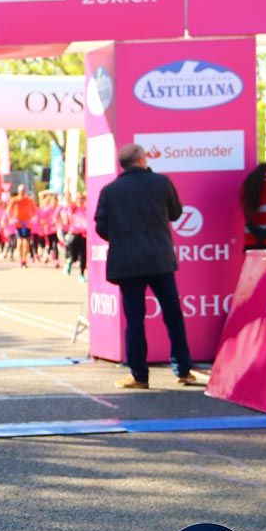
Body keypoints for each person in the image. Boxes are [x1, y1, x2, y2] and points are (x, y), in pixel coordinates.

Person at [95, 143, 198, 389]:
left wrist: (122, 237)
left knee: (135, 320)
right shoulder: (161, 183)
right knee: (173, 315)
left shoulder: (110, 191)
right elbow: (175, 213)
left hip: (128, 263)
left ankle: (139, 375)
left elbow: (101, 227)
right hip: (159, 259)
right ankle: (183, 370)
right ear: (142, 160)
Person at [6, 184, 38, 268]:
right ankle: (21, 259)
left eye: (24, 190)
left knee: (26, 242)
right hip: (18, 223)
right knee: (20, 242)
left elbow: (35, 211)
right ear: (19, 191)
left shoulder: (29, 200)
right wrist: (11, 219)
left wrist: (32, 218)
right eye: (21, 191)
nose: (23, 192)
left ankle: (24, 259)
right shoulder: (14, 200)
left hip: (27, 224)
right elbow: (8, 211)